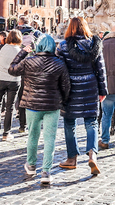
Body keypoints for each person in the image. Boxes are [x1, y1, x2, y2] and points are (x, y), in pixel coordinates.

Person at [10, 35, 71, 184]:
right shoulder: (59, 63)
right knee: (50, 138)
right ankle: (46, 171)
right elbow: (66, 86)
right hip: (52, 105)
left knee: (33, 135)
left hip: (32, 105)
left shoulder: (29, 61)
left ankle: (31, 165)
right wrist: (62, 100)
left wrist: (23, 52)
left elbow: (12, 69)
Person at [57, 17, 107, 174]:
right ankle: (92, 154)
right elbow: (101, 68)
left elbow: (59, 69)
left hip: (70, 87)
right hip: (90, 86)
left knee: (69, 123)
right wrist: (103, 90)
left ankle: (72, 158)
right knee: (91, 122)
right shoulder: (94, 44)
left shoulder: (63, 46)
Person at [0, 29, 23, 141]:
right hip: (14, 80)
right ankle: (6, 133)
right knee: (10, 107)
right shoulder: (20, 51)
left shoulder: (0, 48)